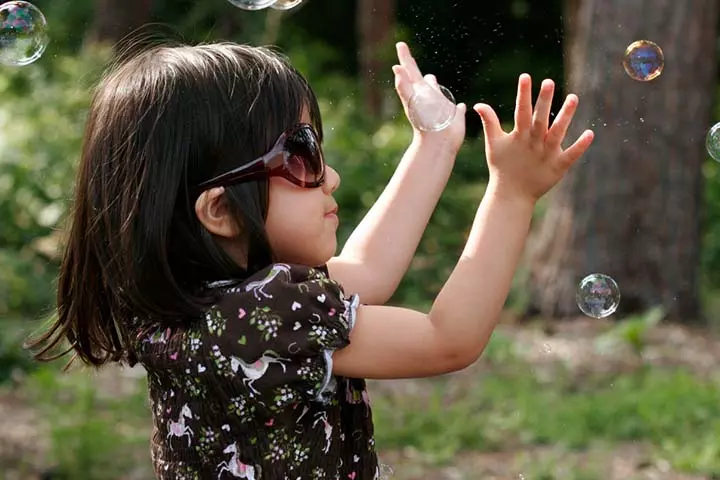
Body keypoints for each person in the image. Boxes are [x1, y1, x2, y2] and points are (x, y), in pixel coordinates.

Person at [26, 39, 594, 479]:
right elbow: (449, 338)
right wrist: (513, 193)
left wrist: (436, 142)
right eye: (302, 154)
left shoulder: (200, 304)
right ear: (220, 210)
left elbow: (368, 272)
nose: (331, 177)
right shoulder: (265, 313)